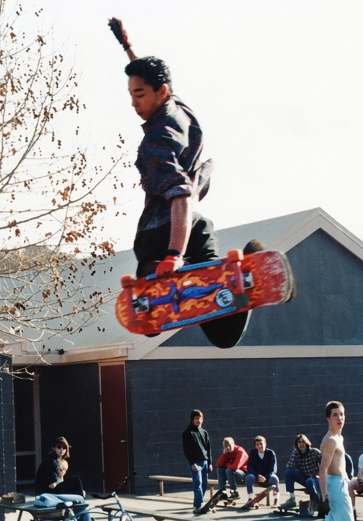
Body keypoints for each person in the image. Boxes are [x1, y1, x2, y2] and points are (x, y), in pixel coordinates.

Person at [109, 17, 257, 348]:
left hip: (162, 235)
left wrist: (174, 254)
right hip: (199, 229)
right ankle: (243, 271)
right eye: (131, 94)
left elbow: (180, 194)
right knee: (223, 335)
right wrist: (127, 47)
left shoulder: (156, 141)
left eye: (139, 94)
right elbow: (152, 77)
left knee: (147, 320)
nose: (134, 103)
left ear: (160, 92)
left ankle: (182, 267)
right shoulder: (180, 109)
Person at [34, 436, 94, 521]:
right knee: (77, 487)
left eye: (64, 447)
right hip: (47, 495)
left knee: (78, 493)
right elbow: (52, 485)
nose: (61, 450)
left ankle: (83, 519)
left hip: (50, 492)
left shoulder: (55, 460)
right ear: (53, 448)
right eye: (59, 447)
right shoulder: (50, 461)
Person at [318, 401, 355, 521]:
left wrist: (347, 481)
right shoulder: (331, 440)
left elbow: (339, 465)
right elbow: (323, 468)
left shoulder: (339, 438)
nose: (339, 418)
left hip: (340, 484)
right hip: (334, 486)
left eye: (342, 414)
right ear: (328, 418)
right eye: (335, 415)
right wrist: (324, 495)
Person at [280, 434, 321, 514]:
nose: (301, 444)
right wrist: (295, 457)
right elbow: (289, 466)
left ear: (307, 443)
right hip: (304, 478)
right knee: (288, 472)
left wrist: (320, 472)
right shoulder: (296, 453)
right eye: (299, 442)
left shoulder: (315, 452)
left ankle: (317, 501)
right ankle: (292, 499)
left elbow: (324, 463)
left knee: (310, 481)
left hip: (315, 479)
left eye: (303, 442)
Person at [182, 409, 212, 513]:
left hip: (204, 461)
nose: (198, 420)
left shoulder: (204, 432)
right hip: (195, 463)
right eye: (196, 418)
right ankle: (198, 506)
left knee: (204, 484)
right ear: (192, 420)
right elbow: (187, 450)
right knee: (197, 483)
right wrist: (192, 463)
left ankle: (198, 503)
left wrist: (210, 462)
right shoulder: (187, 433)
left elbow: (208, 448)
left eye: (200, 418)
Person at [245, 435, 280, 506]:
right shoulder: (252, 453)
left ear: (265, 443)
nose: (259, 446)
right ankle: (250, 499)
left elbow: (273, 469)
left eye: (261, 444)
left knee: (275, 478)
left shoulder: (271, 453)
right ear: (255, 446)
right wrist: (257, 476)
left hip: (267, 477)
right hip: (257, 477)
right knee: (249, 477)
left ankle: (276, 499)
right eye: (257, 444)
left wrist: (265, 477)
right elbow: (250, 467)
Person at [216, 437, 248, 501]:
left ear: (233, 444)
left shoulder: (240, 451)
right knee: (220, 470)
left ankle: (234, 492)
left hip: (243, 475)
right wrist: (224, 454)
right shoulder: (226, 452)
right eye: (226, 446)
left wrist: (227, 464)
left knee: (229, 470)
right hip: (231, 475)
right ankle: (222, 493)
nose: (228, 448)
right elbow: (218, 465)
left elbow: (235, 467)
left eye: (229, 445)